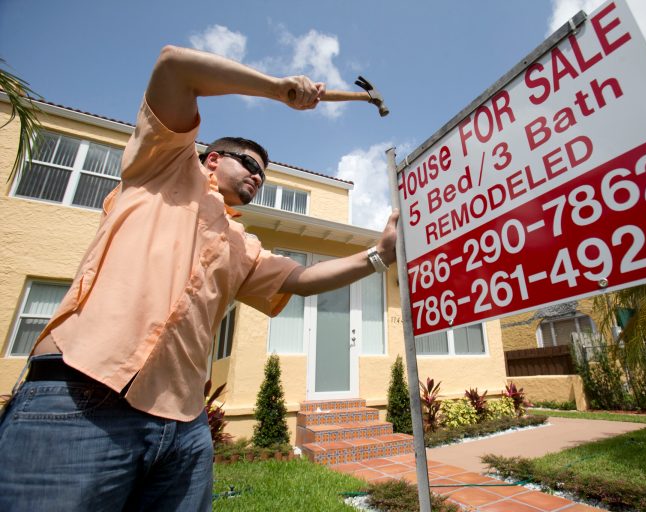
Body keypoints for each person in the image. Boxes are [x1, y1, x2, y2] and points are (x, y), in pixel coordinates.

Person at [0, 45, 399, 511]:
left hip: (183, 425)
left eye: (264, 175)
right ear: (212, 159)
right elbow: (175, 66)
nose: (257, 176)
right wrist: (276, 89)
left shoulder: (242, 244)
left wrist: (379, 257)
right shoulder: (163, 166)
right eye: (249, 164)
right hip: (79, 396)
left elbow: (304, 278)